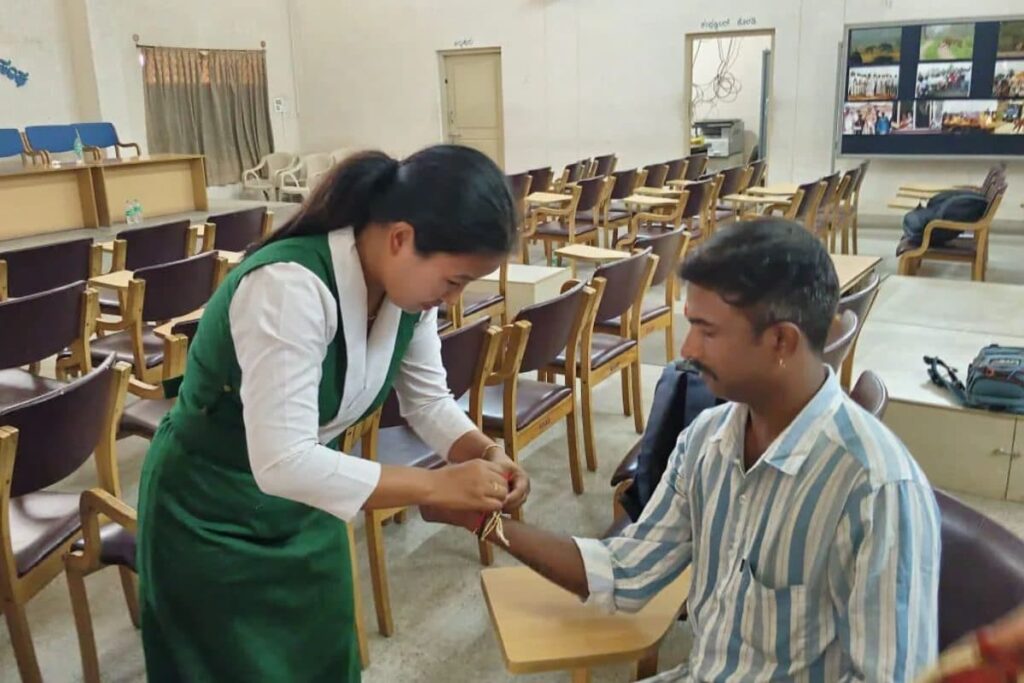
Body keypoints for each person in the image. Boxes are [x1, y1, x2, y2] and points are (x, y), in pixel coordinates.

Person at [425, 218, 942, 682]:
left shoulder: (877, 489)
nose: (686, 350)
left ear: (782, 342)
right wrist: (484, 522)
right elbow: (626, 573)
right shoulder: (708, 440)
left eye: (706, 330)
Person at [136, 145, 530, 682]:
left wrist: (483, 452)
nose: (452, 297)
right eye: (454, 280)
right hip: (211, 513)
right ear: (400, 238)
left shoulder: (403, 293)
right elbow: (281, 461)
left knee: (321, 661)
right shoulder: (288, 288)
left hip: (306, 504)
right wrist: (435, 487)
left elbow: (429, 402)